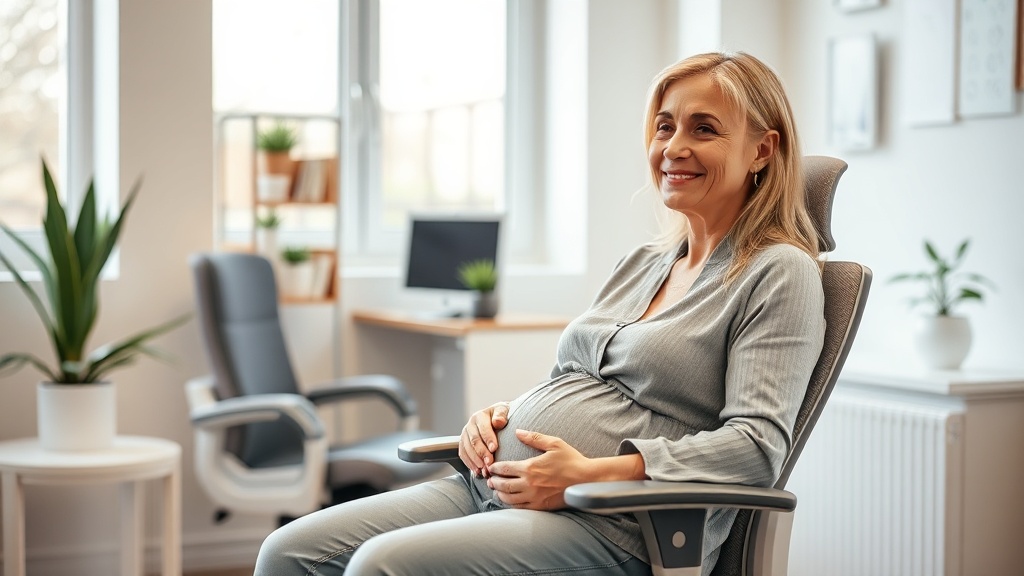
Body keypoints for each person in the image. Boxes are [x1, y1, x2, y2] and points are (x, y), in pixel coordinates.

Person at [254, 51, 825, 576]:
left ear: (762, 150)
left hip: (617, 524)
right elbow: (573, 382)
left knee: (382, 566)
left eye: (704, 128)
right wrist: (499, 417)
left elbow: (755, 447)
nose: (674, 146)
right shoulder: (645, 262)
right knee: (287, 553)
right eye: (664, 125)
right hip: (495, 486)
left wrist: (588, 473)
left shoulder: (778, 272)